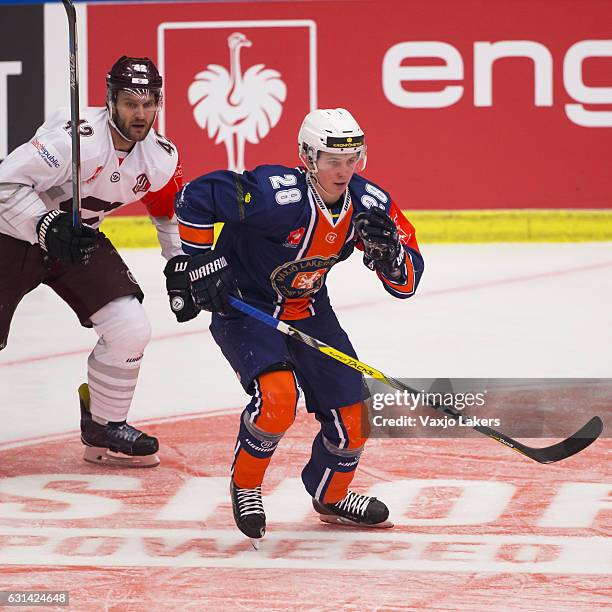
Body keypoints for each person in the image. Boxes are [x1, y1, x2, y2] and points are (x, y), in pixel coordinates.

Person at [172, 108, 424, 541]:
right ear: (307, 157)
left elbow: (407, 282)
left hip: (309, 308)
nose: (343, 171)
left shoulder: (369, 203)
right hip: (246, 306)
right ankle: (247, 484)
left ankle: (331, 495)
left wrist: (389, 257)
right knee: (277, 398)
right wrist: (196, 262)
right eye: (332, 160)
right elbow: (194, 197)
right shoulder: (274, 194)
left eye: (352, 159)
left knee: (354, 414)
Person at [0, 56, 197, 467]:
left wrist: (180, 264)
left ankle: (105, 427)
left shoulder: (159, 158)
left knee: (130, 326)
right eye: (129, 103)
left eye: (148, 103)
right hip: (11, 236)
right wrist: (42, 222)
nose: (140, 113)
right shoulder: (75, 141)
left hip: (75, 242)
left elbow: (168, 211)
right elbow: (4, 181)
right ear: (110, 101)